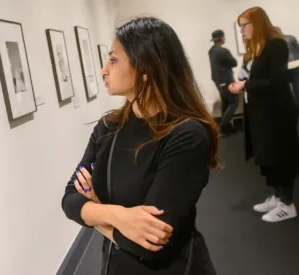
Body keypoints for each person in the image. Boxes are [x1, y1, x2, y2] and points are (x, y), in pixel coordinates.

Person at [61, 17, 219, 275]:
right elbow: (70, 199)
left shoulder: (186, 135)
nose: (103, 70)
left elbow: (149, 246)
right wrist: (119, 217)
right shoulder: (108, 128)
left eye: (113, 60)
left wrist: (95, 210)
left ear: (146, 67)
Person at [229, 6, 298, 222]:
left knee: (280, 156)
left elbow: (278, 81)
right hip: (261, 113)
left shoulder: (276, 44)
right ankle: (279, 197)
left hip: (276, 114)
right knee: (268, 156)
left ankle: (288, 203)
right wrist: (243, 84)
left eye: (243, 25)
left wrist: (246, 85)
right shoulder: (256, 47)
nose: (241, 31)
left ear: (256, 23)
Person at [208, 29, 239, 136]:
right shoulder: (223, 51)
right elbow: (234, 63)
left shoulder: (211, 51)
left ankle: (227, 128)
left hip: (218, 81)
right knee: (234, 101)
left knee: (226, 102)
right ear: (221, 38)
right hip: (226, 80)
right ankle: (223, 126)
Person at [276, 26, 299, 114]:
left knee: (289, 93)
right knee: (297, 90)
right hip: (297, 65)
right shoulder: (291, 37)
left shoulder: (276, 42)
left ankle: (295, 115)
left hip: (286, 68)